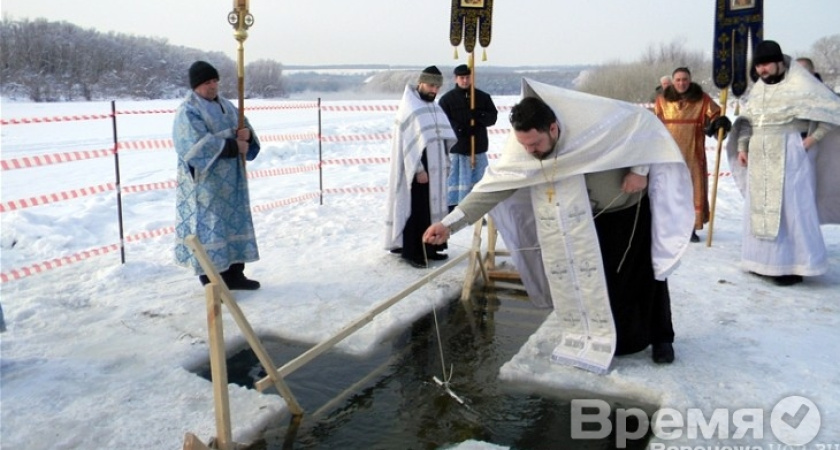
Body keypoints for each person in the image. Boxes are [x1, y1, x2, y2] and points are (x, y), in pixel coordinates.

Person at [423, 79, 694, 371]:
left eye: (536, 144)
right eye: (524, 145)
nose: (530, 151)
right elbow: (493, 187)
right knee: (603, 280)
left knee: (646, 272)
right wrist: (450, 224)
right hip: (586, 219)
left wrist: (640, 170)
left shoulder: (593, 120)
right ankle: (616, 337)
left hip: (629, 207)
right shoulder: (525, 145)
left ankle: (662, 337)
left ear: (553, 128)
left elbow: (645, 124)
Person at [727, 40, 840, 286]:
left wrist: (812, 139)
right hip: (760, 153)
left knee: (791, 209)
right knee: (759, 208)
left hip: (791, 153)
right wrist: (742, 147)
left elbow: (832, 111)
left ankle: (791, 265)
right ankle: (761, 262)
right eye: (758, 66)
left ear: (779, 62)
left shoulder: (801, 84)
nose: (762, 70)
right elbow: (747, 120)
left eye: (766, 64)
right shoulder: (759, 88)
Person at [173, 61, 262, 290]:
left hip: (233, 181)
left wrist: (247, 135)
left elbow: (246, 131)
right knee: (210, 228)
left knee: (233, 224)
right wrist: (234, 146)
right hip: (207, 183)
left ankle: (235, 275)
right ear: (196, 86)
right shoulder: (188, 110)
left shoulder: (228, 105)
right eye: (206, 83)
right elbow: (193, 146)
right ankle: (213, 282)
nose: (212, 87)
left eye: (215, 81)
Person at [384, 66, 457, 268]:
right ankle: (411, 251)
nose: (434, 90)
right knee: (415, 210)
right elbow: (408, 145)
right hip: (417, 171)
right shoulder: (411, 106)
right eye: (431, 85)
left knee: (430, 210)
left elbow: (443, 136)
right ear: (421, 83)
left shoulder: (433, 106)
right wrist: (419, 169)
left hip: (436, 169)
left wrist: (445, 161)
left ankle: (431, 248)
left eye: (437, 87)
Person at [655, 67, 730, 242]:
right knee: (671, 190)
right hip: (669, 153)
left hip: (693, 152)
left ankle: (690, 228)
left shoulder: (701, 99)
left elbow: (715, 116)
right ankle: (671, 226)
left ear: (690, 80)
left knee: (692, 189)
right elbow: (655, 124)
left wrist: (719, 122)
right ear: (673, 82)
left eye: (685, 79)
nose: (682, 83)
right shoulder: (662, 101)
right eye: (678, 80)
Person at [438, 64, 498, 211]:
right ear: (456, 79)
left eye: (467, 77)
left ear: (472, 78)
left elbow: (492, 118)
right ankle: (453, 209)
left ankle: (477, 210)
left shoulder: (483, 97)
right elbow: (442, 122)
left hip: (477, 148)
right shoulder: (447, 100)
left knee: (478, 182)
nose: (465, 81)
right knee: (455, 182)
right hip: (457, 149)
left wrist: (478, 115)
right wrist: (460, 128)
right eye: (461, 78)